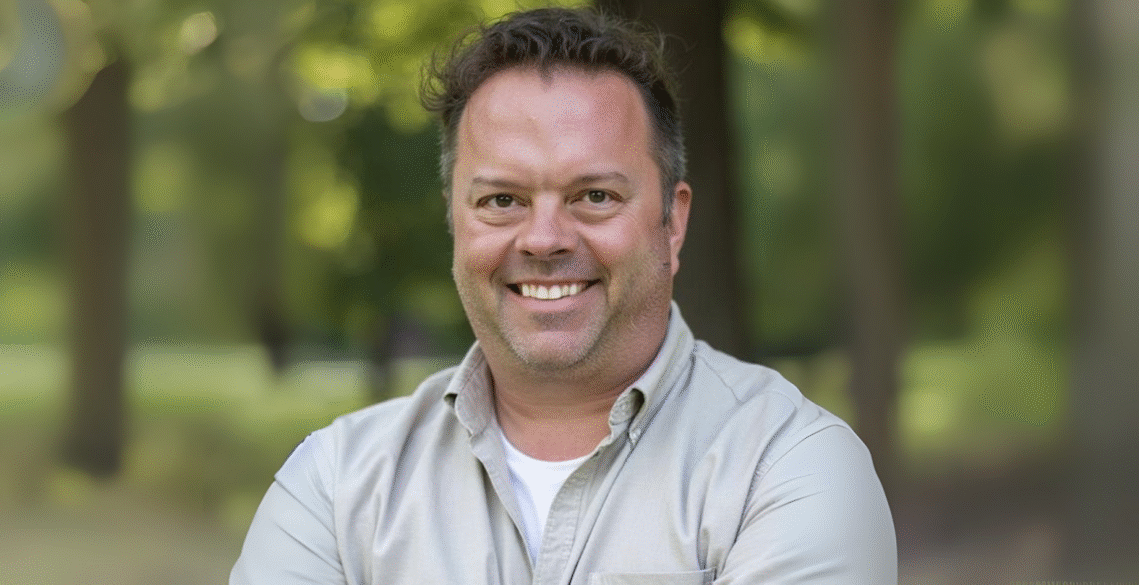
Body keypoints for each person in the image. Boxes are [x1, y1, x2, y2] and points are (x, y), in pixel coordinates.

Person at [230, 7, 897, 584]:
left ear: (672, 220)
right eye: (501, 200)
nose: (544, 237)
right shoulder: (337, 484)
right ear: (455, 219)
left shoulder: (789, 467)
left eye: (594, 196)